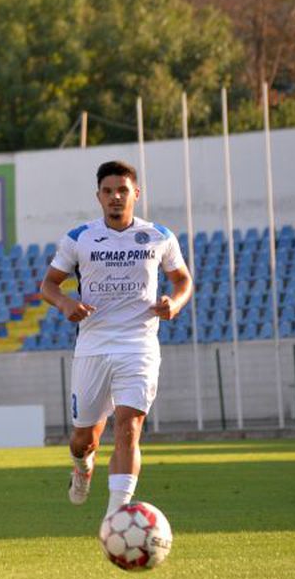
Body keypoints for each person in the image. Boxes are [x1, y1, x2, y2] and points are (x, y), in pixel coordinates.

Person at [39, 160, 193, 517]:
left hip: (139, 345)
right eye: (108, 192)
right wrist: (65, 304)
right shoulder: (80, 238)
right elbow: (48, 284)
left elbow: (183, 280)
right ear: (98, 197)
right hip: (93, 346)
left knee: (129, 426)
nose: (116, 197)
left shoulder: (159, 237)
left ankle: (116, 518)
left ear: (135, 194)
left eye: (122, 191)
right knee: (84, 439)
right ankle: (82, 467)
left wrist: (176, 302)